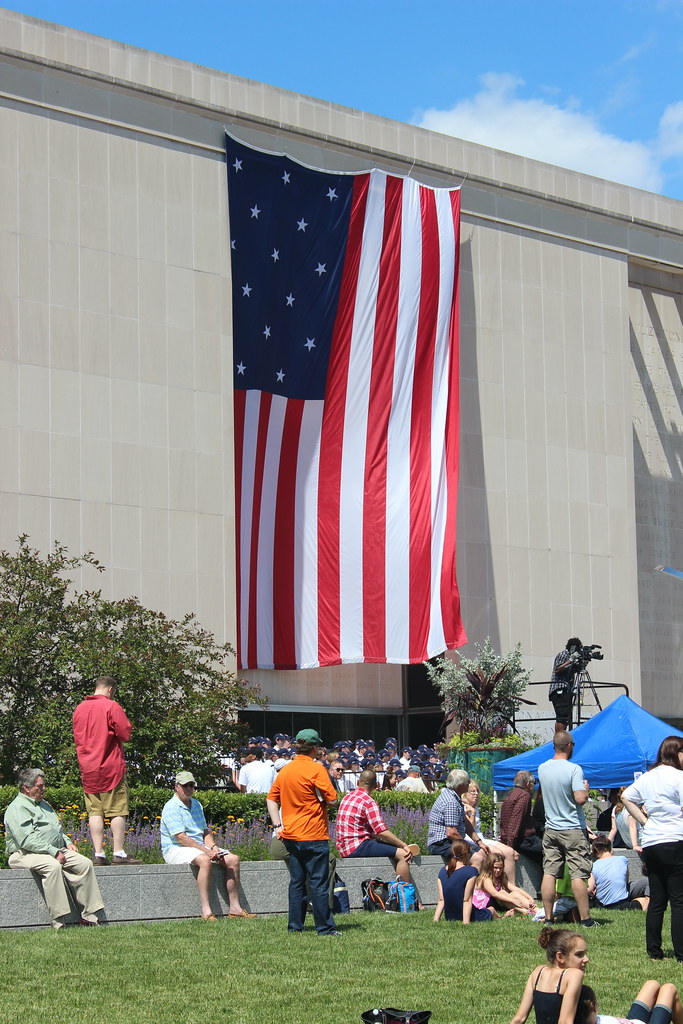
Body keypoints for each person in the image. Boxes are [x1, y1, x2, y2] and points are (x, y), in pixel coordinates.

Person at [4, 768, 104, 929]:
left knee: (84, 864)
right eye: (40, 786)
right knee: (52, 866)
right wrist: (53, 851)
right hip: (24, 853)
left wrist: (66, 842)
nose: (44, 789)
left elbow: (55, 829)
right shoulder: (18, 808)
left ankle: (88, 914)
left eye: (44, 786)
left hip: (53, 850)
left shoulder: (44, 804)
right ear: (26, 788)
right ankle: (59, 919)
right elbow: (26, 840)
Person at [266, 728, 341, 937]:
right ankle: (324, 928)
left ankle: (295, 927)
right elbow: (332, 800)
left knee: (297, 883)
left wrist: (277, 826)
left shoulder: (286, 770)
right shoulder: (317, 770)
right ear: (315, 748)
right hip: (314, 834)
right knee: (318, 883)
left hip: (290, 835)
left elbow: (271, 798)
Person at [160, 770, 256, 921]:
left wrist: (214, 848)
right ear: (176, 787)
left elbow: (205, 833)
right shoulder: (171, 807)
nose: (189, 789)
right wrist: (207, 851)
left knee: (233, 859)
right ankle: (206, 911)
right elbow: (181, 838)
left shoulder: (196, 804)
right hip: (175, 849)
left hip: (197, 847)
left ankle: (235, 909)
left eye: (191, 785)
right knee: (205, 859)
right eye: (186, 786)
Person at [622, 734, 683, 961]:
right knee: (678, 900)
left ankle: (654, 951)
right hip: (676, 839)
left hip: (652, 842)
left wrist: (645, 822)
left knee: (657, 899)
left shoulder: (649, 776)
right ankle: (680, 953)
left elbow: (626, 796)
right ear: (676, 753)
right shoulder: (679, 777)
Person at [72, 675, 141, 865]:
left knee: (95, 812)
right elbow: (125, 732)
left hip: (88, 769)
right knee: (117, 810)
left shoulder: (79, 709)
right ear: (110, 689)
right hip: (111, 767)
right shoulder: (111, 706)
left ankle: (99, 854)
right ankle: (118, 852)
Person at [537, 731, 596, 927]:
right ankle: (585, 919)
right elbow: (579, 798)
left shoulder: (542, 768)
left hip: (551, 828)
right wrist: (585, 790)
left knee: (549, 872)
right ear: (569, 745)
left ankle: (548, 918)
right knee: (578, 873)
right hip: (572, 828)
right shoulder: (574, 769)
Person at [335, 769, 417, 884]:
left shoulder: (347, 797)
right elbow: (380, 831)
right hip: (358, 847)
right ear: (376, 785)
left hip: (343, 848)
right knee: (403, 855)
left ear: (358, 782)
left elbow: (371, 832)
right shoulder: (368, 802)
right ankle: (406, 896)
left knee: (389, 847)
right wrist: (403, 845)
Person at [510, 926, 589, 1024]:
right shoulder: (574, 975)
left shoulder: (538, 972)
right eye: (579, 954)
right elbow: (565, 1021)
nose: (586, 959)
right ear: (560, 957)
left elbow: (519, 1019)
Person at [427, 768, 488, 868]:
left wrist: (479, 842)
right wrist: (468, 846)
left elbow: (466, 823)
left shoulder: (454, 797)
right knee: (478, 859)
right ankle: (471, 884)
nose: (469, 784)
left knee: (483, 853)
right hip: (441, 844)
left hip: (451, 842)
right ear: (461, 785)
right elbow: (451, 833)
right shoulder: (451, 802)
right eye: (467, 782)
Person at [463, 780, 519, 880]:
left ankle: (511, 888)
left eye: (477, 791)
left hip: (481, 839)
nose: (476, 794)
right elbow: (469, 829)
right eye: (473, 791)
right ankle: (496, 886)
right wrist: (472, 813)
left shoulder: (474, 807)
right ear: (465, 793)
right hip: (470, 840)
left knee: (510, 852)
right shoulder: (464, 807)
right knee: (498, 854)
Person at [433, 839, 494, 922]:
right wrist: (466, 923)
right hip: (470, 915)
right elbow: (467, 899)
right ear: (466, 854)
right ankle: (503, 915)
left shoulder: (442, 871)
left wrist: (435, 920)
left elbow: (441, 899)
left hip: (450, 917)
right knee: (490, 910)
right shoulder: (471, 871)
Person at [577, 980, 683, 1024]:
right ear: (592, 1006)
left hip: (632, 1021)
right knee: (669, 989)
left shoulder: (591, 1019)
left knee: (652, 984)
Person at [588, 836, 648, 911]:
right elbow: (625, 881)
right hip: (623, 903)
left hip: (603, 905)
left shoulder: (594, 866)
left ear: (595, 851)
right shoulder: (622, 859)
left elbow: (589, 888)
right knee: (646, 884)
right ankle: (647, 903)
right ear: (610, 848)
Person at [500, 770, 543, 863]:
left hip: (507, 837)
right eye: (534, 783)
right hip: (523, 840)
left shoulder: (510, 794)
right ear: (528, 784)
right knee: (550, 851)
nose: (534, 787)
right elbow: (516, 821)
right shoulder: (524, 795)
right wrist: (510, 847)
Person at [477, 851, 537, 916]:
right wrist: (512, 900)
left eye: (500, 868)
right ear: (489, 866)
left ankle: (537, 910)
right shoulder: (486, 879)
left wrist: (530, 898)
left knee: (515, 893)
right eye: (495, 867)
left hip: (496, 902)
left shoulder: (500, 877)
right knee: (502, 892)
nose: (498, 870)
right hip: (485, 904)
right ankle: (527, 912)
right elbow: (494, 894)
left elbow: (514, 888)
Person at [549, 638, 583, 731]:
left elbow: (577, 670)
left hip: (567, 690)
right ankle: (560, 740)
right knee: (562, 717)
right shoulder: (563, 654)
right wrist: (571, 660)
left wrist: (582, 663)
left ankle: (563, 737)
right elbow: (558, 670)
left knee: (566, 718)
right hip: (559, 689)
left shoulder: (573, 657)